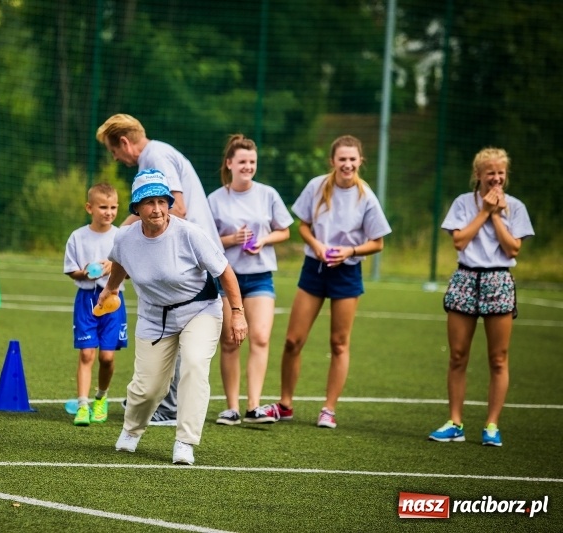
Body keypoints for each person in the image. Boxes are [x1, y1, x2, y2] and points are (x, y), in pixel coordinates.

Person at [99, 169, 247, 465]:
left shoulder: (189, 234)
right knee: (148, 387)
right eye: (149, 202)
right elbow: (120, 262)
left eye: (162, 201)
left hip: (199, 310)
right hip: (154, 316)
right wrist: (111, 289)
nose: (157, 209)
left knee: (194, 364)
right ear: (136, 208)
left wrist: (237, 313)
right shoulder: (125, 237)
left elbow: (224, 271)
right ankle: (131, 430)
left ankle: (185, 441)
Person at [96, 113, 222, 426]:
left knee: (178, 319)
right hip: (183, 255)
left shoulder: (154, 157)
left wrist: (123, 235)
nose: (116, 158)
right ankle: (157, 397)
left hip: (191, 258)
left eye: (114, 151)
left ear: (124, 142)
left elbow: (176, 209)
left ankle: (167, 406)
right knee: (168, 319)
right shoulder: (157, 153)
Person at [272, 135, 391, 428]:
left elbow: (378, 243)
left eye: (352, 159)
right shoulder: (317, 186)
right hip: (314, 268)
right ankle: (285, 404)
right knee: (292, 340)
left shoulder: (366, 197)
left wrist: (350, 251)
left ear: (360, 161)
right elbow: (303, 226)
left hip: (347, 273)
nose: (347, 164)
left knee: (339, 343)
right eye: (342, 159)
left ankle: (329, 409)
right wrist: (317, 246)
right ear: (333, 161)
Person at [428, 147, 534, 447]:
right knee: (457, 355)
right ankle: (455, 423)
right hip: (465, 278)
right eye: (490, 173)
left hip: (498, 280)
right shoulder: (463, 203)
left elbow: (513, 248)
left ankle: (491, 425)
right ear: (478, 175)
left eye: (501, 173)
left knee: (498, 358)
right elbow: (459, 241)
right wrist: (485, 211)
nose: (496, 178)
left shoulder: (516, 207)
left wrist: (497, 215)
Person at [207, 134, 294, 425]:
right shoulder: (215, 199)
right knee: (230, 341)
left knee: (260, 337)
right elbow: (204, 241)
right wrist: (232, 239)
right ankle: (231, 408)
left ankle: (253, 407)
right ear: (229, 164)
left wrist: (264, 240)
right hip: (226, 278)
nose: (248, 167)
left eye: (252, 162)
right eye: (242, 161)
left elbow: (285, 230)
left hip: (260, 278)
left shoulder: (268, 194)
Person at [63, 183, 128, 427]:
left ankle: (101, 398)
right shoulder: (78, 237)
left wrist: (114, 268)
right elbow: (71, 270)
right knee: (87, 353)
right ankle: (82, 405)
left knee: (107, 357)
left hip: (113, 301)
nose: (109, 212)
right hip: (86, 300)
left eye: (113, 208)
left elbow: (130, 272)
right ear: (89, 208)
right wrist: (87, 273)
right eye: (103, 207)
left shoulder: (121, 237)